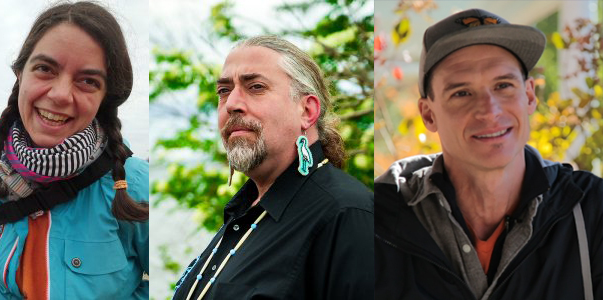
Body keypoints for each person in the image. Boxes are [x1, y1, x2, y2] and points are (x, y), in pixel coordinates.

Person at [0, 2, 149, 299]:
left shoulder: (132, 183)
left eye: (88, 81)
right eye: (45, 69)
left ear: (104, 97)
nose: (59, 95)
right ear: (20, 73)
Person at [375, 8, 603, 299]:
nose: (489, 110)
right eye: (461, 93)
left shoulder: (592, 211)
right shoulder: (379, 220)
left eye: (503, 86)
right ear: (428, 115)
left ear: (530, 96)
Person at [171, 35, 374, 300]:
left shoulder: (348, 213)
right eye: (223, 91)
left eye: (255, 87)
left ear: (307, 111)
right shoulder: (244, 211)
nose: (232, 103)